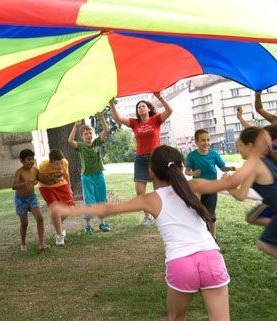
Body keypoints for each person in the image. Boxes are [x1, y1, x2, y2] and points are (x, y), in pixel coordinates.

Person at [50, 135, 269, 321]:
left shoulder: (150, 199)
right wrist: (257, 153)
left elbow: (108, 209)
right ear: (181, 168)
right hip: (211, 258)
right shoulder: (194, 186)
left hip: (181, 263)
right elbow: (232, 182)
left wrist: (69, 211)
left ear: (151, 172)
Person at [110, 93, 173, 226]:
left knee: (159, 189)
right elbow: (119, 118)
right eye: (139, 107)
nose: (141, 108)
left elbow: (170, 111)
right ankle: (147, 216)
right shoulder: (135, 123)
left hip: (155, 158)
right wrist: (111, 103)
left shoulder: (156, 120)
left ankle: (164, 213)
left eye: (143, 106)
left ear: (149, 109)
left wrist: (159, 96)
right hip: (140, 159)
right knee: (139, 191)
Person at [227, 126, 277, 258]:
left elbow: (241, 196)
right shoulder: (265, 160)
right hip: (272, 207)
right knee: (251, 217)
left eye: (240, 145)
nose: (238, 149)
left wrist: (228, 187)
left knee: (264, 244)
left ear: (249, 146)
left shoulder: (253, 164)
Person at [185, 129, 236, 239]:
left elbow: (222, 167)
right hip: (197, 190)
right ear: (196, 142)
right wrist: (193, 172)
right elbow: (186, 171)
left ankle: (213, 237)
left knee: (211, 214)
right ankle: (201, 235)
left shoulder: (214, 154)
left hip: (212, 188)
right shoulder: (191, 156)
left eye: (208, 140)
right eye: (203, 140)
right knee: (198, 213)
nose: (206, 143)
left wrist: (232, 168)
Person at [68, 114, 110, 234]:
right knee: (89, 202)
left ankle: (102, 224)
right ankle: (87, 226)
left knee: (101, 199)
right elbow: (70, 141)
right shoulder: (80, 146)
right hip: (87, 178)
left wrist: (101, 117)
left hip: (99, 175)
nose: (88, 135)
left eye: (90, 133)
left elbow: (106, 130)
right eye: (85, 134)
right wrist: (75, 126)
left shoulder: (97, 143)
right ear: (81, 136)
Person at [12, 149, 47, 251]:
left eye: (32, 159)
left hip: (32, 198)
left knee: (40, 218)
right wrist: (25, 183)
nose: (31, 161)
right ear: (21, 161)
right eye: (28, 159)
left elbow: (43, 179)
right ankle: (23, 243)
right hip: (20, 200)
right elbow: (14, 186)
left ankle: (41, 244)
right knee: (24, 223)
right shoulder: (19, 172)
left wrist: (53, 177)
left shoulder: (35, 170)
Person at [38, 149, 74, 246]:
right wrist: (50, 180)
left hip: (61, 185)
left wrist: (69, 188)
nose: (60, 166)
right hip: (46, 188)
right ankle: (59, 235)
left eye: (61, 163)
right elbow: (40, 179)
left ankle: (56, 221)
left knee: (70, 208)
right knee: (56, 209)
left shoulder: (65, 162)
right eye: (57, 164)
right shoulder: (43, 166)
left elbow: (66, 175)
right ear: (51, 162)